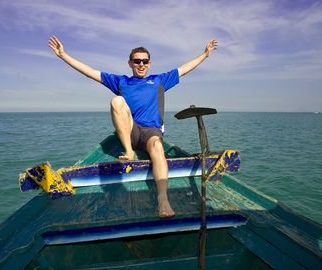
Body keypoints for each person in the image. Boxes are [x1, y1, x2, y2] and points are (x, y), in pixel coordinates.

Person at [48, 36, 218, 218]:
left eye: (145, 61)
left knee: (157, 147)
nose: (141, 64)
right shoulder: (122, 82)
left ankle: (162, 199)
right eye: (137, 61)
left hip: (151, 132)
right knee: (117, 101)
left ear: (150, 63)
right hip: (130, 131)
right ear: (130, 63)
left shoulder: (159, 80)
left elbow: (184, 69)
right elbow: (90, 72)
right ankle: (129, 152)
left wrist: (205, 54)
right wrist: (63, 55)